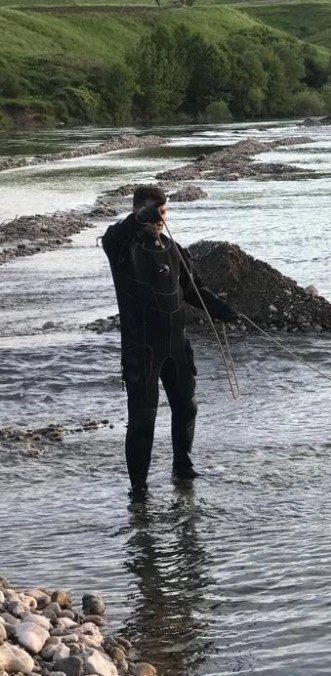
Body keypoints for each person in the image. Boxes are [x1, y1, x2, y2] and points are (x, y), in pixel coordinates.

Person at [103, 185, 239, 503]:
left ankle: (183, 469)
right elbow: (112, 236)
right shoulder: (124, 249)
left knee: (187, 406)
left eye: (163, 213)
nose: (160, 219)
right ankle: (139, 488)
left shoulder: (173, 248)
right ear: (139, 212)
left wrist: (221, 309)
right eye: (154, 213)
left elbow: (193, 291)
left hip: (176, 346)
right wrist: (136, 220)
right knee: (143, 417)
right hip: (143, 349)